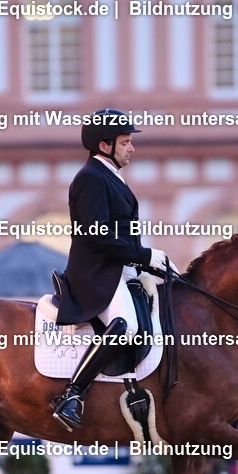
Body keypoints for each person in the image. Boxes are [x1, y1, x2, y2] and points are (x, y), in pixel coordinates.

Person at [50, 108, 175, 431]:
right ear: (104, 145)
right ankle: (72, 395)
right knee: (127, 326)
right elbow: (99, 235)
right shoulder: (90, 178)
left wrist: (147, 263)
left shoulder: (110, 175)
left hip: (121, 270)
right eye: (125, 142)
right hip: (96, 276)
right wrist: (144, 255)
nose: (132, 148)